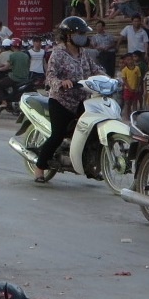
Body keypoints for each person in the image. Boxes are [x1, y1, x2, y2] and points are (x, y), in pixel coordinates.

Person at [32, 17, 100, 181]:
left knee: (94, 131)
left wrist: (110, 80)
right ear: (68, 35)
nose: (83, 36)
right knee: (58, 135)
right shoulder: (58, 53)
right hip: (61, 101)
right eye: (80, 33)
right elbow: (50, 76)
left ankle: (89, 165)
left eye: (84, 33)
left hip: (82, 100)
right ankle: (40, 168)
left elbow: (96, 69)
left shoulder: (84, 53)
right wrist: (61, 83)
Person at [0, 38, 29, 108]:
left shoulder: (12, 56)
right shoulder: (26, 55)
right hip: (25, 78)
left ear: (12, 46)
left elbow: (6, 67)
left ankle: (4, 102)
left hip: (15, 78)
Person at [119, 53, 143, 122]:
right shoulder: (124, 70)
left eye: (130, 59)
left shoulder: (137, 68)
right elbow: (124, 80)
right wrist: (129, 88)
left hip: (135, 89)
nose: (129, 61)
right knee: (127, 103)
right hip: (127, 89)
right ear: (125, 61)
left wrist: (138, 86)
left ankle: (134, 116)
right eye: (127, 60)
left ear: (133, 60)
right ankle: (127, 117)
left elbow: (139, 78)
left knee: (135, 103)